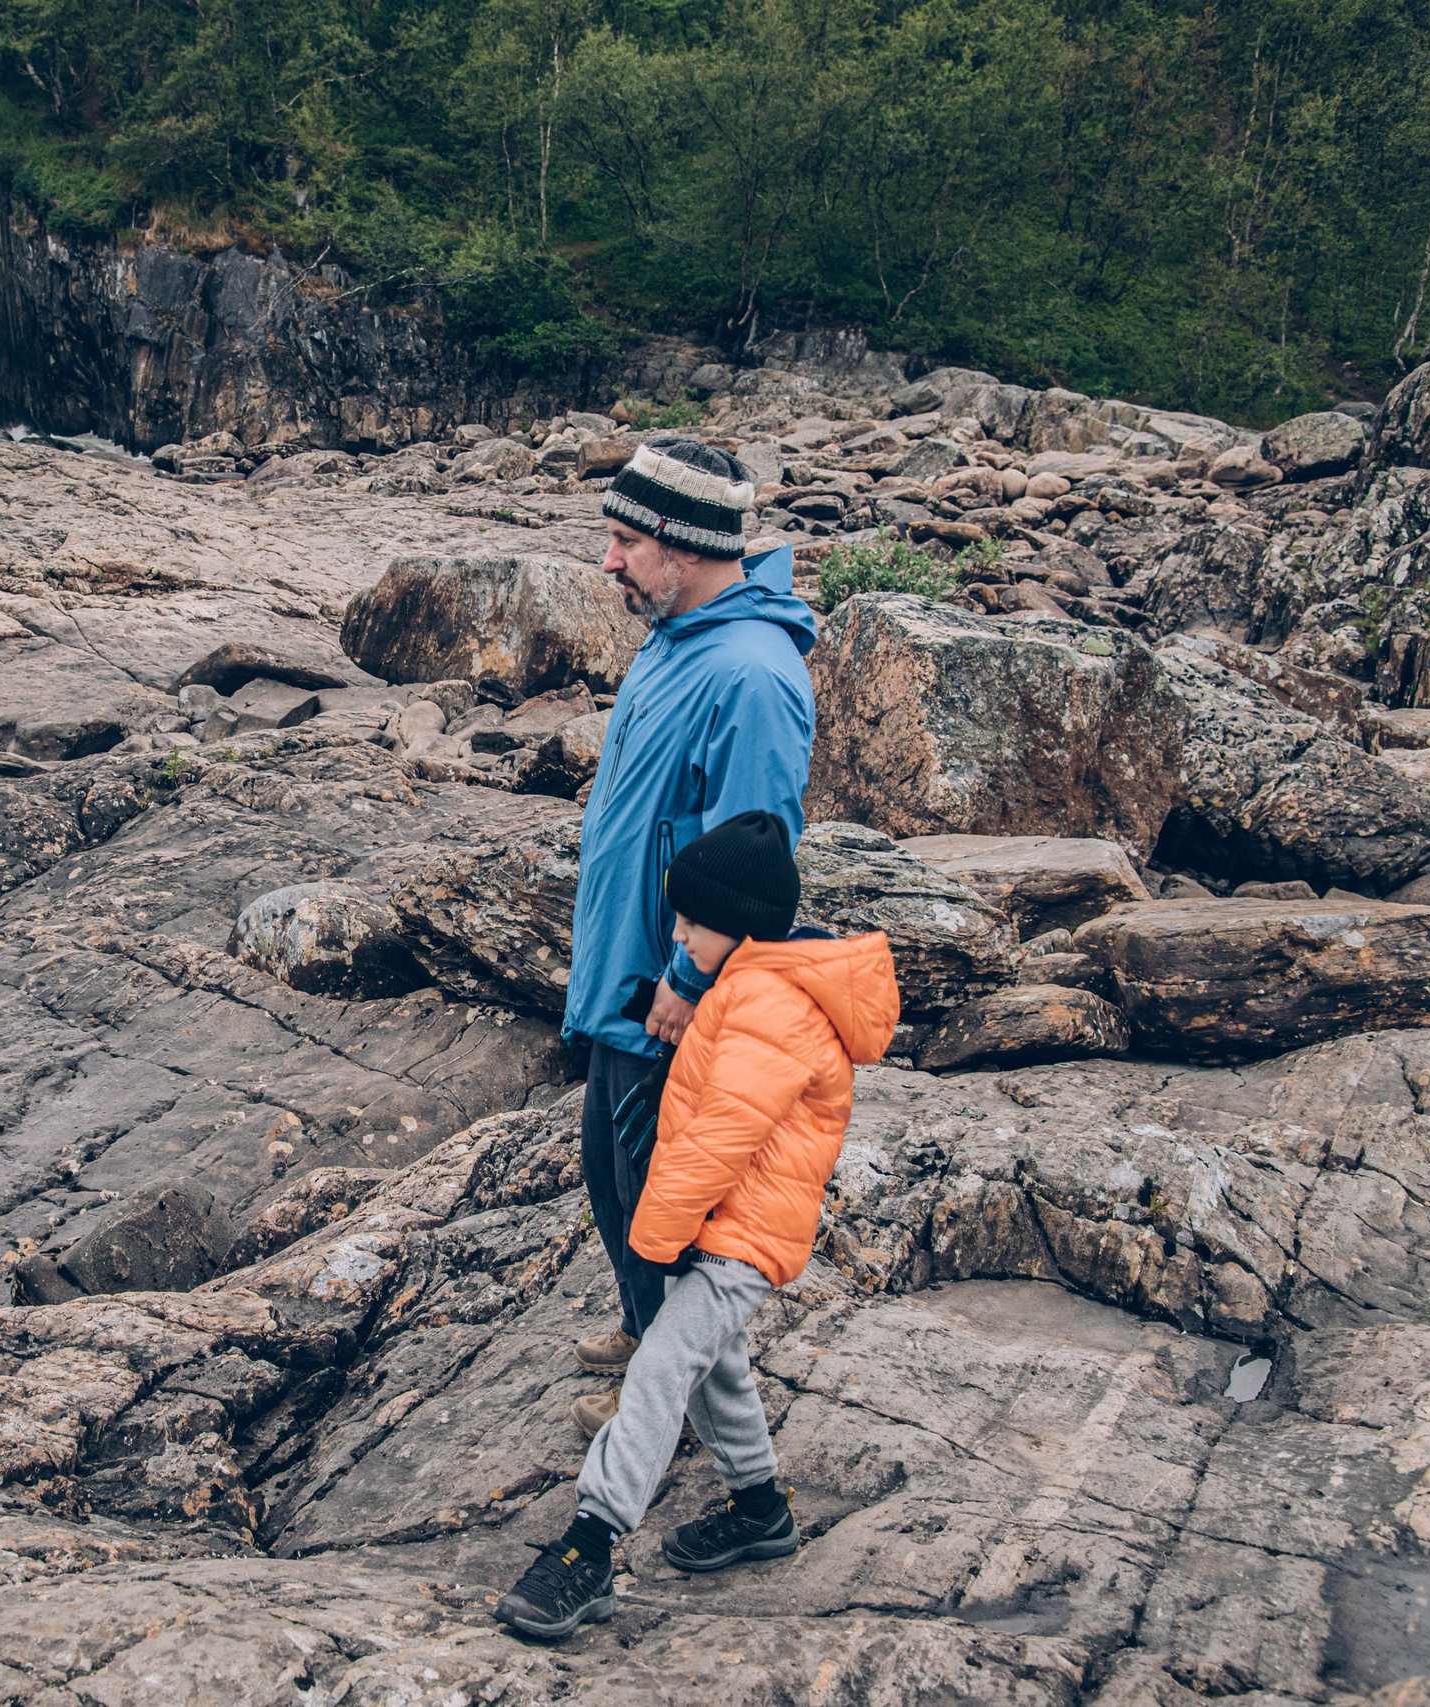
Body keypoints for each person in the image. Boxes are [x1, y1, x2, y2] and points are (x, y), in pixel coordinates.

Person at [496, 812, 900, 1640]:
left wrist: (656, 1237)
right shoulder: (751, 983)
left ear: (739, 923)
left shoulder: (771, 1004)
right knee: (715, 1367)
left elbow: (721, 1137)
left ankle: (588, 1547)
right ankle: (759, 1508)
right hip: (726, 1223)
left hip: (740, 1234)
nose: (678, 934)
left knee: (660, 1364)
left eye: (691, 920)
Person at [565, 437, 817, 1424]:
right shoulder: (676, 636)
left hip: (672, 993)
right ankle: (645, 1332)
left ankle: (668, 1404)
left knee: (667, 1202)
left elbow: (755, 852)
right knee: (613, 1173)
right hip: (624, 973)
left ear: (682, 545)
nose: (608, 562)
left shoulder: (751, 675)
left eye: (624, 542)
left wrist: (688, 975)